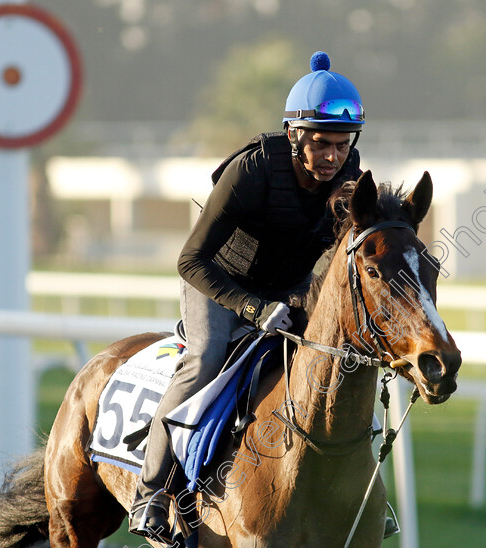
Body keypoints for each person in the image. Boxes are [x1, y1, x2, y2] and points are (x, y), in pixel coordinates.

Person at [129, 51, 365, 540]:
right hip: (218, 281)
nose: (333, 157)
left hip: (287, 289)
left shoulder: (350, 173)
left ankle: (348, 495)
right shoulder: (252, 170)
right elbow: (190, 260)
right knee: (208, 356)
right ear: (295, 136)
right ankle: (151, 492)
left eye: (342, 145)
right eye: (322, 144)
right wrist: (253, 308)